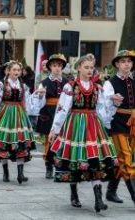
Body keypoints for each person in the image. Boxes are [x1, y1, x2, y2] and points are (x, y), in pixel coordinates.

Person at [48, 55, 118, 212]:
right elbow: (62, 109)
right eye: (86, 67)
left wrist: (111, 111)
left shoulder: (97, 88)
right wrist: (55, 129)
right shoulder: (70, 87)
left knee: (95, 160)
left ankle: (98, 199)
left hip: (93, 125)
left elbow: (102, 110)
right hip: (75, 125)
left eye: (91, 68)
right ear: (78, 68)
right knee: (75, 157)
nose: (89, 70)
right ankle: (74, 193)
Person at [102, 50, 135, 205]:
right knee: (126, 159)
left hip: (133, 124)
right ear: (117, 64)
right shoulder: (110, 83)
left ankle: (111, 190)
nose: (127, 64)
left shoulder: (134, 80)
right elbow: (103, 105)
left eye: (129, 61)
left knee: (125, 159)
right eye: (123, 61)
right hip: (118, 123)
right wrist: (113, 100)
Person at [33, 54, 68, 179]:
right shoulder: (44, 83)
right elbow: (38, 103)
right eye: (54, 66)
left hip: (63, 112)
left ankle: (61, 164)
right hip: (48, 112)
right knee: (49, 140)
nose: (57, 68)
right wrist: (41, 95)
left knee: (63, 139)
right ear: (50, 67)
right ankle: (48, 166)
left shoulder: (67, 82)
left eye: (59, 65)